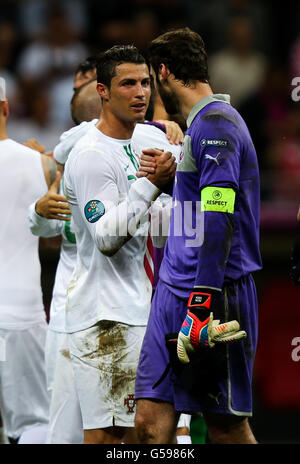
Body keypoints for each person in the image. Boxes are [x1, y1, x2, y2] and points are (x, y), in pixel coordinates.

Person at [134, 27, 262, 444]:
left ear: (164, 72)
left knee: (225, 429)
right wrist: (175, 183)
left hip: (213, 295)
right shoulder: (202, 126)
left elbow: (219, 217)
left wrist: (202, 302)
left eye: (152, 81)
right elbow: (202, 202)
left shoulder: (217, 126)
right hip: (173, 289)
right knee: (150, 426)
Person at [46, 46, 177, 445]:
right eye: (128, 84)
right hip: (105, 315)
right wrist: (151, 185)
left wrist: (168, 194)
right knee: (108, 438)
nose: (140, 92)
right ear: (102, 90)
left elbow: (158, 232)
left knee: (140, 434)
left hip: (138, 306)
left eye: (145, 83)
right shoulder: (89, 155)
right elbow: (105, 237)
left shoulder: (147, 142)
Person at [0, 76, 57, 444]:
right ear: (6, 108)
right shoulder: (40, 164)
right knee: (33, 423)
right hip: (20, 310)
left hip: (21, 312)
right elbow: (56, 235)